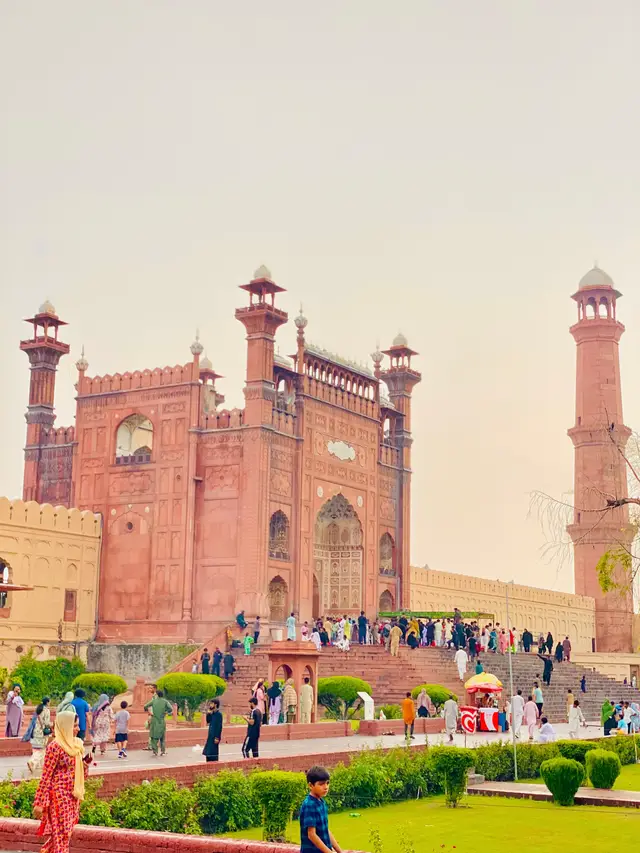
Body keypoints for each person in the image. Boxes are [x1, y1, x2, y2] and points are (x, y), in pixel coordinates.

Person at [33, 712, 91, 853]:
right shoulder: (55, 747)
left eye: (78, 725)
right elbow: (46, 776)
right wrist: (39, 803)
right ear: (66, 726)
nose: (78, 729)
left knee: (64, 834)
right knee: (62, 834)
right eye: (74, 726)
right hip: (59, 797)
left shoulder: (76, 745)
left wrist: (84, 766)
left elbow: (81, 775)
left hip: (73, 797)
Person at [299, 765, 343, 853]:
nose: (326, 787)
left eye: (327, 783)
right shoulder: (309, 805)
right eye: (321, 784)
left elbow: (325, 830)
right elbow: (312, 835)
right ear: (310, 785)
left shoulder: (321, 802)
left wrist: (339, 851)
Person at [24, 697, 51, 775]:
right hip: (42, 732)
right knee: (42, 749)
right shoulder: (46, 710)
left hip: (35, 731)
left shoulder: (38, 709)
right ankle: (33, 761)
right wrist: (51, 725)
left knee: (36, 748)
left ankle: (39, 766)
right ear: (47, 702)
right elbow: (46, 723)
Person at [143, 688, 173, 757]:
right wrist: (166, 712)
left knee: (153, 737)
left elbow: (145, 706)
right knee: (162, 737)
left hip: (154, 720)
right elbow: (171, 709)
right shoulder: (165, 701)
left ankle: (155, 751)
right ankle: (163, 751)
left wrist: (148, 712)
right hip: (161, 720)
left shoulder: (154, 701)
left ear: (157, 694)